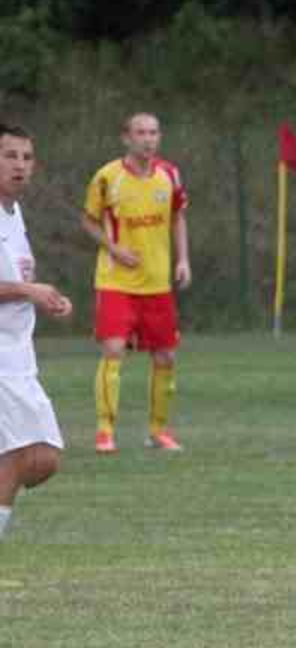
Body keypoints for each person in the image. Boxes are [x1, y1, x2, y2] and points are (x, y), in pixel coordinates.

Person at [81, 112, 191, 453]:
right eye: (140, 132)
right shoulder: (107, 177)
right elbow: (87, 220)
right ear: (125, 137)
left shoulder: (169, 175)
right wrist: (113, 248)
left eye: (154, 132)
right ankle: (104, 431)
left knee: (166, 357)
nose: (148, 139)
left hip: (157, 283)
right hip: (116, 281)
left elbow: (177, 218)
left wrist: (183, 259)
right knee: (114, 349)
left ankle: (157, 432)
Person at [0, 123, 72, 538]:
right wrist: (30, 290)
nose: (20, 166)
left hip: (18, 355)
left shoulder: (14, 212)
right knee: (25, 454)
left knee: (41, 458)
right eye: (10, 156)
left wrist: (43, 298)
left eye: (26, 158)